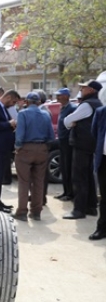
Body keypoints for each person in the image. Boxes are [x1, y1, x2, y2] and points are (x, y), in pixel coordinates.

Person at [63, 80, 103, 219]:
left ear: (91, 90)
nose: (81, 89)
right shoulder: (99, 103)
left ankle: (79, 210)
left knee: (79, 178)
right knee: (89, 177)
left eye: (84, 88)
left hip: (81, 145)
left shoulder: (87, 105)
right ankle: (91, 207)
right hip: (92, 145)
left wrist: (72, 123)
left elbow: (68, 120)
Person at [12, 92, 55, 221]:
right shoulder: (46, 115)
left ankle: (22, 212)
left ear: (27, 102)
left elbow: (20, 134)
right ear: (39, 102)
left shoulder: (23, 114)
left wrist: (17, 147)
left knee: (24, 182)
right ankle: (36, 212)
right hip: (42, 149)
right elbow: (51, 136)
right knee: (38, 182)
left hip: (26, 148)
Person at [53, 88, 76, 201]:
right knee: (63, 167)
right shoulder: (63, 108)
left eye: (60, 95)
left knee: (68, 167)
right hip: (61, 141)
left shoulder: (72, 108)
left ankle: (70, 193)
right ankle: (65, 191)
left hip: (68, 142)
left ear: (66, 96)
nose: (57, 98)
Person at [89, 104, 106, 240]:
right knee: (104, 198)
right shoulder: (101, 112)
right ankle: (102, 229)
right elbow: (94, 132)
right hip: (104, 160)